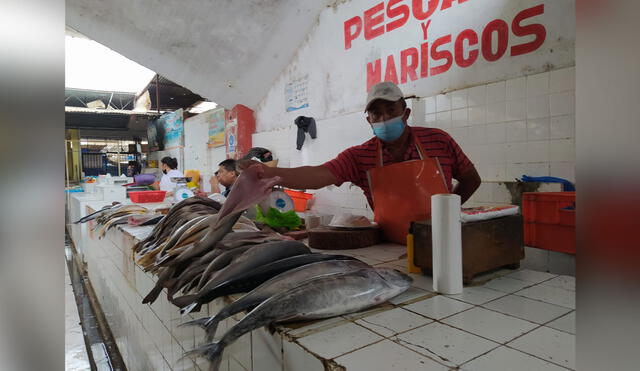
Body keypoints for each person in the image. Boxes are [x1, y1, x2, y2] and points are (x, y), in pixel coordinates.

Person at [239, 81, 481, 243]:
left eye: (390, 110)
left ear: (405, 113)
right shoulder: (359, 156)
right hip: (389, 244)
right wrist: (265, 172)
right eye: (376, 113)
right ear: (369, 120)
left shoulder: (438, 140)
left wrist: (447, 212)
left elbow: (471, 179)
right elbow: (317, 175)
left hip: (444, 240)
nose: (384, 118)